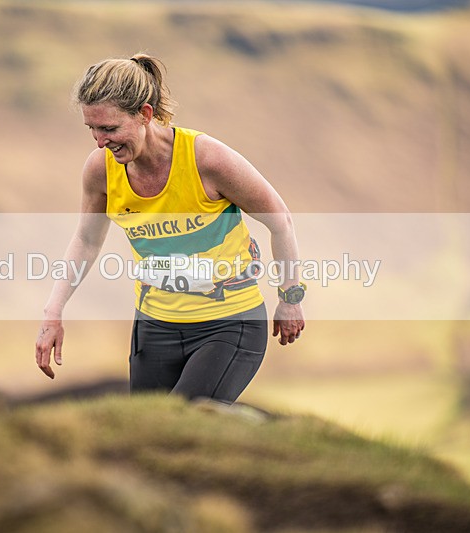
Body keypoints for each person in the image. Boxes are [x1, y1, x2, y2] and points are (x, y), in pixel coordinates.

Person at [35, 53, 305, 403]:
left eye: (110, 128)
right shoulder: (100, 169)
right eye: (92, 129)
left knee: (185, 417)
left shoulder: (207, 159)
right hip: (154, 327)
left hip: (227, 324)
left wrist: (290, 298)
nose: (101, 142)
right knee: (148, 438)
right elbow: (86, 240)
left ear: (145, 114)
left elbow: (280, 220)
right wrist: (53, 311)